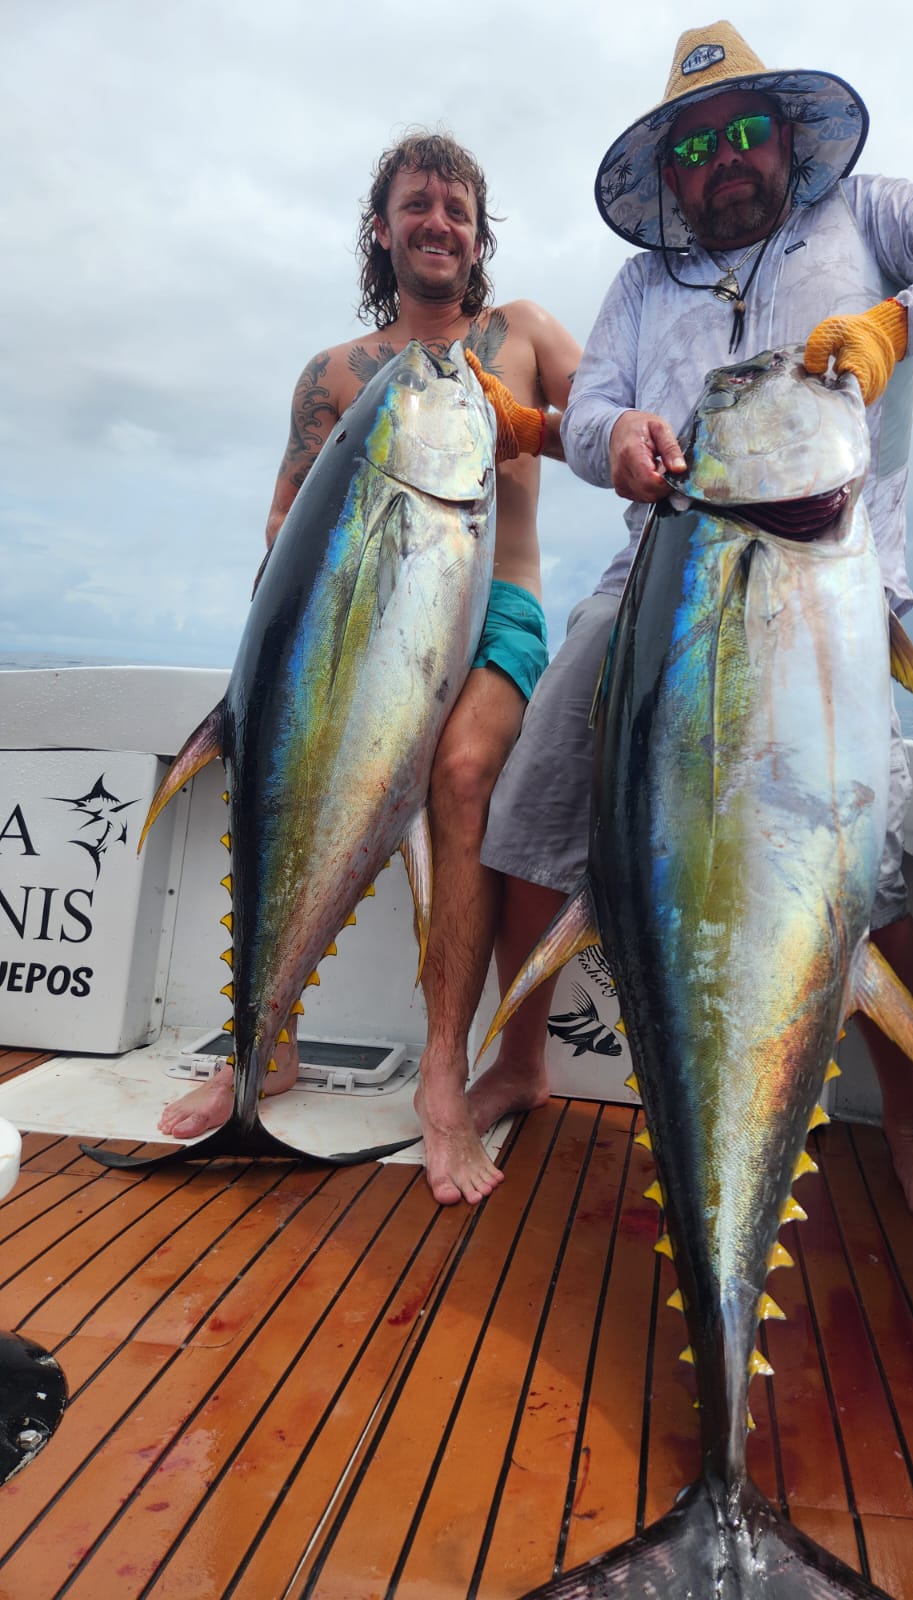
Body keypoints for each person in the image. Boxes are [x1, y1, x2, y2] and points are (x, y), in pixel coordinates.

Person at [474, 23, 913, 1236]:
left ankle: (907, 1120)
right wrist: (615, 441)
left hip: (825, 588)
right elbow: (596, 408)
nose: (725, 159)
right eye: (695, 148)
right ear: (670, 176)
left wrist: (898, 321)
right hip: (656, 578)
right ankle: (521, 1058)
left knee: (867, 868)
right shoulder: (644, 286)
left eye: (744, 132)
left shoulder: (868, 218)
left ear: (788, 136)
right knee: (532, 801)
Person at [158, 130, 582, 1208]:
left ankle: (443, 1074)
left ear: (479, 236)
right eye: (417, 204)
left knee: (463, 772)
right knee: (293, 772)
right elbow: (282, 525)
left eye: (458, 209)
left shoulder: (523, 333)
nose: (439, 222)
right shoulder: (335, 374)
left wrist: (536, 425)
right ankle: (266, 1043)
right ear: (382, 229)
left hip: (497, 610)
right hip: (362, 626)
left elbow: (610, 428)